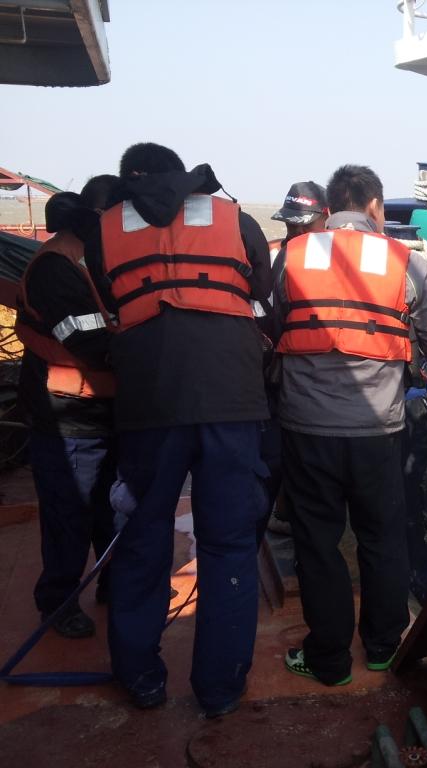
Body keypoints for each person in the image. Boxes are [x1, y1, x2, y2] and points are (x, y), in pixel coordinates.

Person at [84, 143, 272, 716]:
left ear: (128, 179)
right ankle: (220, 688)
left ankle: (140, 678)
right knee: (229, 543)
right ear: (181, 173)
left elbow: (111, 302)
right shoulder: (235, 219)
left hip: (150, 400)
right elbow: (262, 295)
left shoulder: (103, 230)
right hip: (231, 398)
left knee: (143, 537)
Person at [275, 164, 427, 686]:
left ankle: (328, 660)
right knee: (382, 537)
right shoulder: (404, 260)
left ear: (330, 207)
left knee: (318, 542)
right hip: (379, 429)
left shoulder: (290, 256)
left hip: (306, 427)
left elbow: (272, 324)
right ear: (375, 207)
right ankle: (383, 647)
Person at [15, 176, 119, 638]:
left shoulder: (96, 258)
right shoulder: (56, 266)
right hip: (68, 418)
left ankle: (113, 583)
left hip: (106, 410)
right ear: (98, 216)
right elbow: (88, 340)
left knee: (110, 509)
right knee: (68, 515)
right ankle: (58, 603)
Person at [257, 182, 329, 536]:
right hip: (283, 381)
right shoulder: (277, 257)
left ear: (325, 217)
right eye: (290, 226)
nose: (296, 233)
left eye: (303, 226)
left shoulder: (343, 262)